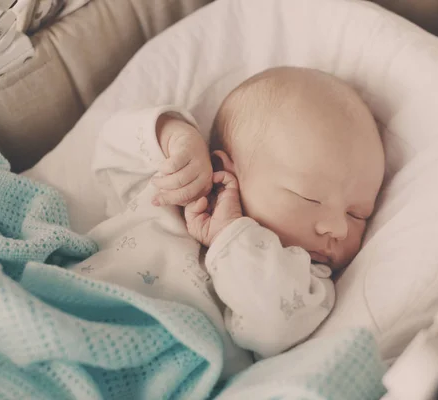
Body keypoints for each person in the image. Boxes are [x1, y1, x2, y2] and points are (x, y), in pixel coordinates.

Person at [71, 66, 385, 379]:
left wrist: (231, 235)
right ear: (224, 170)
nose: (339, 229)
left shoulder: (303, 281)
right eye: (310, 198)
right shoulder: (174, 190)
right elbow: (110, 151)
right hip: (70, 305)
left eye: (357, 214)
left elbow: (274, 326)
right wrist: (178, 138)